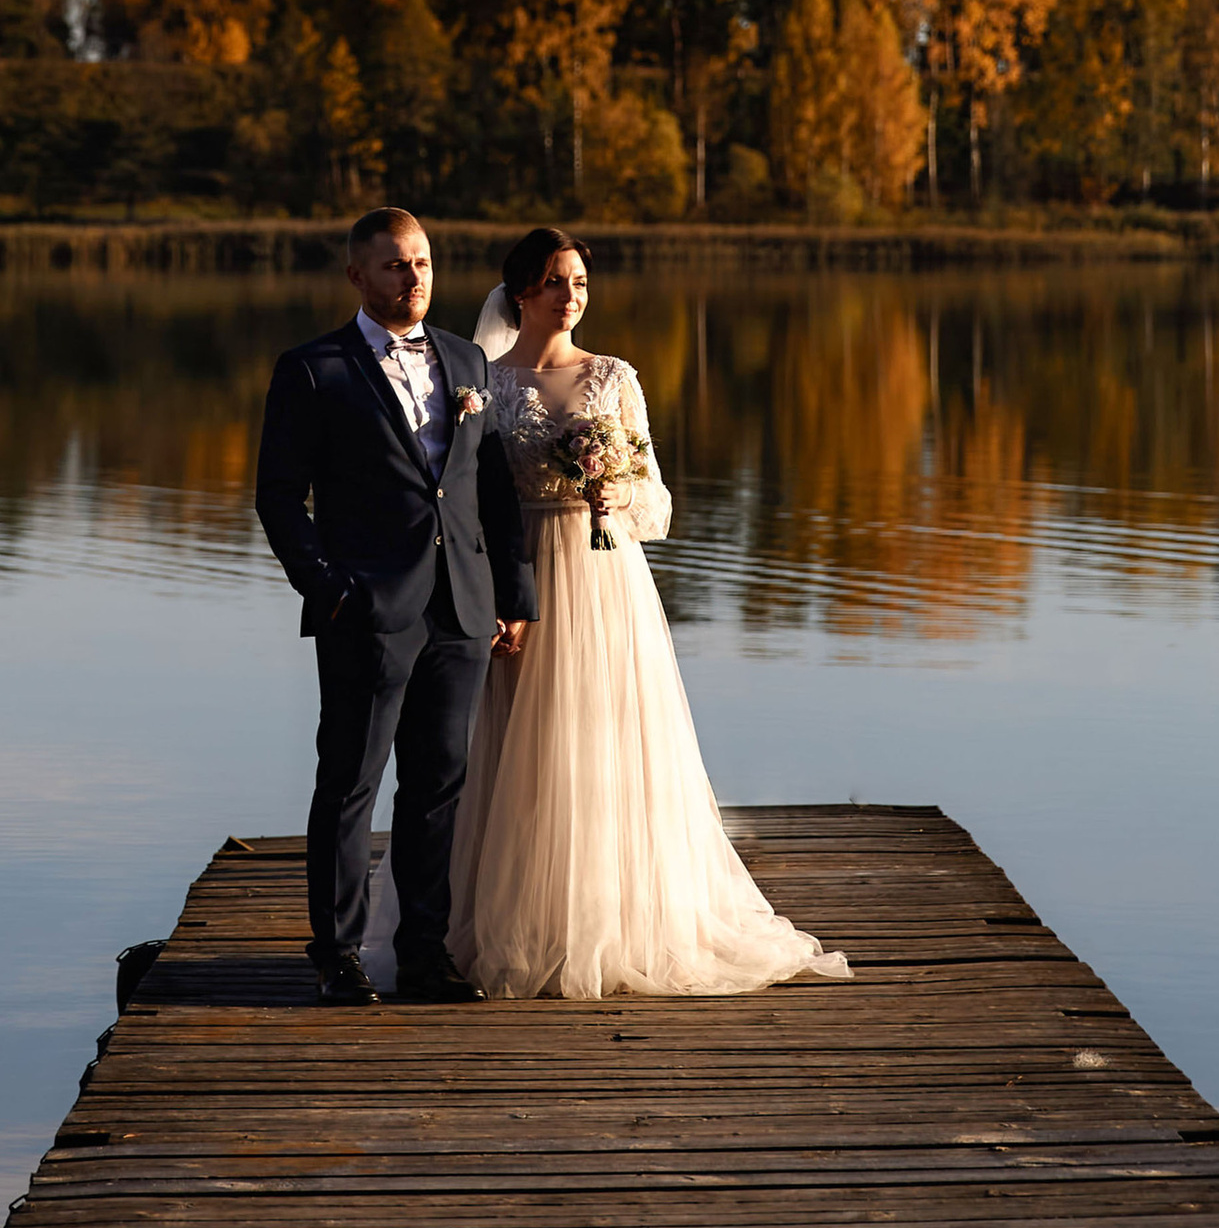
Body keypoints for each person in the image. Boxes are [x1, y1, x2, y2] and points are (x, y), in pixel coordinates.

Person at [450, 225, 847, 1000]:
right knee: (524, 742)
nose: (572, 298)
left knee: (602, 739)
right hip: (519, 575)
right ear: (520, 292)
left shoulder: (613, 378)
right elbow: (464, 500)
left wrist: (617, 492)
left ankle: (612, 922)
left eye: (582, 284)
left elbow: (660, 504)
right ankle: (524, 920)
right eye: (557, 283)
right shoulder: (482, 385)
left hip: (603, 580)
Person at [253, 207, 532, 1006]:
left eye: (423, 264)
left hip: (461, 612)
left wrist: (514, 597)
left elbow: (490, 492)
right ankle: (337, 958)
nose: (414, 279)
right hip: (366, 610)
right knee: (349, 785)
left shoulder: (466, 357)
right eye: (396, 267)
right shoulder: (313, 368)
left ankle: (425, 956)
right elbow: (279, 498)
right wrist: (330, 589)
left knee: (438, 787)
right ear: (357, 276)